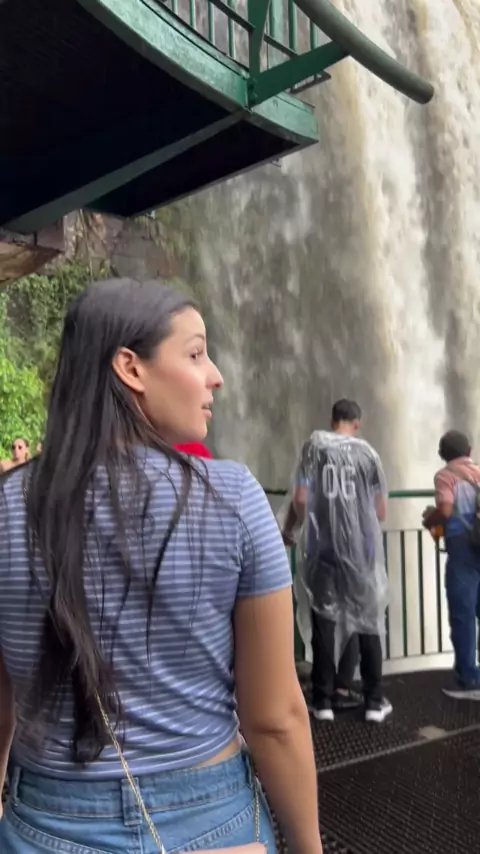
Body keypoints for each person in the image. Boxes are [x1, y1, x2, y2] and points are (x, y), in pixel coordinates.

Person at [0, 279, 322, 854]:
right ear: (131, 368)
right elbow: (274, 719)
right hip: (211, 824)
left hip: (44, 825)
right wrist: (307, 846)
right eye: (196, 354)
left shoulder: (6, 507)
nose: (216, 376)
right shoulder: (233, 499)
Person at [283, 399, 390, 723]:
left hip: (322, 549)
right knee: (367, 622)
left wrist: (293, 529)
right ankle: (374, 702)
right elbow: (380, 510)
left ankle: (323, 702)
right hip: (360, 553)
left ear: (333, 420)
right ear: (357, 423)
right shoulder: (368, 454)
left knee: (324, 622)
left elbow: (301, 498)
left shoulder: (315, 447)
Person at [423, 429, 480, 698]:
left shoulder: (445, 476)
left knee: (462, 613)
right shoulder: (478, 471)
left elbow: (445, 509)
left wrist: (430, 519)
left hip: (462, 548)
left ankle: (468, 679)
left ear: (442, 454)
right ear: (468, 451)